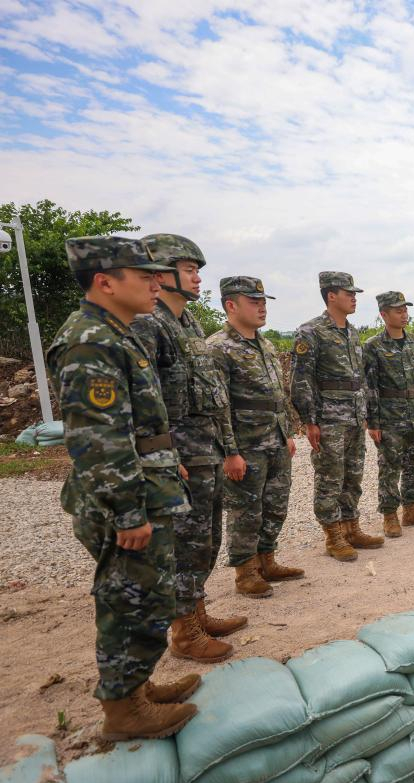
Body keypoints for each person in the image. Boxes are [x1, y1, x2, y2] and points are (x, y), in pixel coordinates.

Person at [48, 236, 199, 739]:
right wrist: (128, 512)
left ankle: (136, 687)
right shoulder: (90, 341)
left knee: (147, 595)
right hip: (124, 499)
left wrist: (165, 464)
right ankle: (123, 710)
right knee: (130, 599)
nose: (155, 283)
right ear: (105, 282)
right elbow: (99, 438)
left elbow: (139, 425)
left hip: (144, 486)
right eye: (143, 275)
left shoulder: (120, 331)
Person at [131, 233, 239, 664]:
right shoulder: (149, 324)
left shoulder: (190, 324)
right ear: (160, 271)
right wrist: (164, 458)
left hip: (205, 451)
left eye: (198, 271)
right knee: (182, 543)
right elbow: (144, 400)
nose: (197, 279)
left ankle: (196, 610)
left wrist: (227, 446)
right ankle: (184, 632)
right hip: (179, 457)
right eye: (190, 270)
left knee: (204, 540)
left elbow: (214, 395)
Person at [207, 276, 302, 599]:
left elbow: (278, 395)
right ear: (231, 305)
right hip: (245, 445)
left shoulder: (265, 344)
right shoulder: (218, 348)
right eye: (254, 302)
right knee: (245, 510)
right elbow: (220, 406)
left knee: (276, 504)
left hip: (273, 440)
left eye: (263, 302)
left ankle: (267, 559)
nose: (262, 308)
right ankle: (245, 572)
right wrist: (229, 452)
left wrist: (287, 432)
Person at [291, 271, 383, 561]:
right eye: (349, 293)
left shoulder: (352, 332)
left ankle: (351, 526)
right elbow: (301, 380)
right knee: (330, 476)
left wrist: (366, 413)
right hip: (329, 418)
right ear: (331, 295)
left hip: (355, 416)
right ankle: (333, 535)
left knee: (353, 475)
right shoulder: (311, 331)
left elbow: (360, 378)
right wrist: (309, 421)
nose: (354, 298)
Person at [365, 291, 414, 536]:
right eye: (398, 310)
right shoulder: (373, 346)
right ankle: (389, 515)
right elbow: (370, 387)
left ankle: (411, 509)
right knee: (390, 467)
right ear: (384, 314)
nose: (404, 314)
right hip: (389, 416)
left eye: (405, 309)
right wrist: (373, 422)